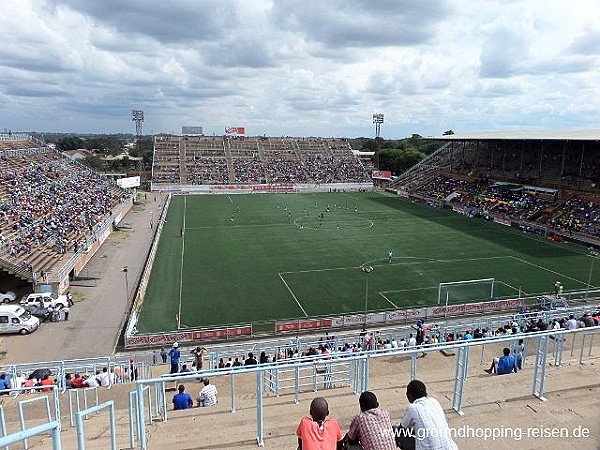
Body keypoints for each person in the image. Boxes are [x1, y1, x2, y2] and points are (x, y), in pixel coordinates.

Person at [398, 380, 457, 450]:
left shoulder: (413, 408)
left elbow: (401, 429)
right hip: (451, 447)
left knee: (395, 433)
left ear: (409, 395)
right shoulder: (434, 401)